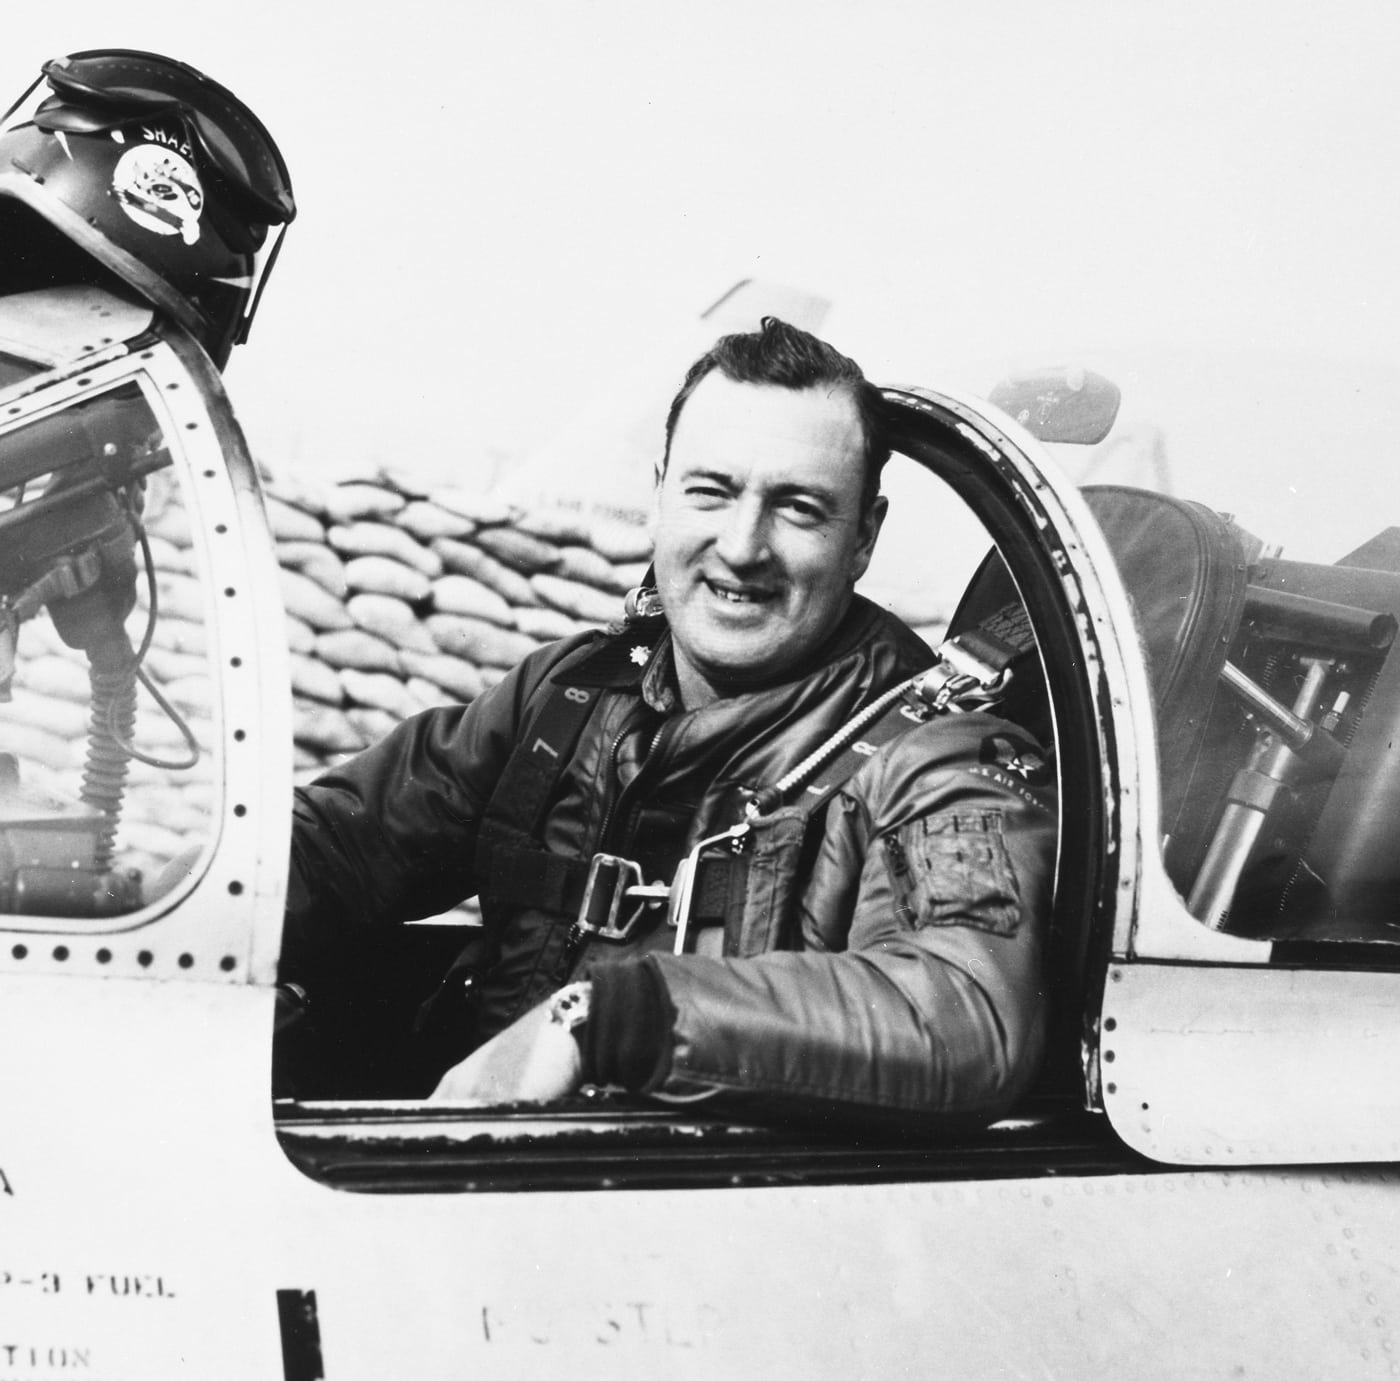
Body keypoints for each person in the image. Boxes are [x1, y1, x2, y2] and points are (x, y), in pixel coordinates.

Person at [280, 317, 1055, 1128]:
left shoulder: (936, 757)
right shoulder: (569, 695)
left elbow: (965, 1016)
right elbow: (339, 844)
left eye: (797, 507)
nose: (742, 546)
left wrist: (612, 1021)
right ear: (660, 493)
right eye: (710, 491)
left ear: (863, 536)